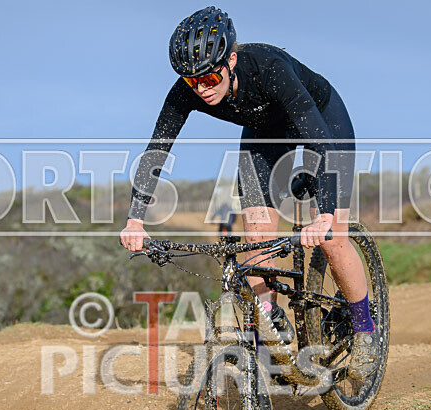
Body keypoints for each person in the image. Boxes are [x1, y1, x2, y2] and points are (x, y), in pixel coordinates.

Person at [119, 6, 378, 380]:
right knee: (253, 240)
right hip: (263, 134)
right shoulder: (189, 88)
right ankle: (272, 322)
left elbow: (319, 137)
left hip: (319, 122)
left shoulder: (269, 69)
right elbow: (157, 149)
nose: (203, 88)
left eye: (209, 77)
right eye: (193, 82)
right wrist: (135, 218)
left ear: (232, 60)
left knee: (332, 238)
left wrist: (324, 213)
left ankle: (364, 328)